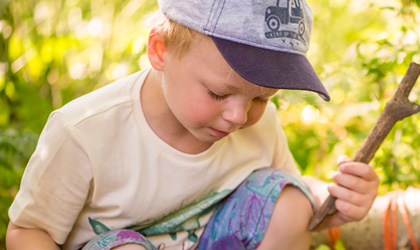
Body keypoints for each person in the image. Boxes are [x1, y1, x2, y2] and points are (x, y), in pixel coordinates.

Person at [5, 0, 379, 249]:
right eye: (218, 93)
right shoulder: (85, 133)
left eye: (262, 98)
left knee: (290, 199)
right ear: (160, 50)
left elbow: (286, 202)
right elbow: (27, 231)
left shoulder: (254, 123)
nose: (239, 116)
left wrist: (335, 201)